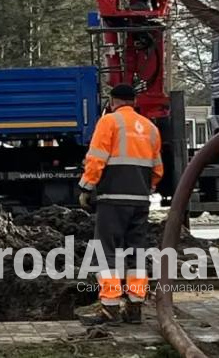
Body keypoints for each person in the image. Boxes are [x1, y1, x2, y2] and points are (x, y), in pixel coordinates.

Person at [76, 84, 164, 326]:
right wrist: (146, 187)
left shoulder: (109, 122)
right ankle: (134, 307)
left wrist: (86, 187)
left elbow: (96, 158)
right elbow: (157, 169)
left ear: (113, 101)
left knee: (107, 252)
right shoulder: (151, 128)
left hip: (113, 199)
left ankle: (110, 309)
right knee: (136, 252)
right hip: (140, 200)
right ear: (134, 102)